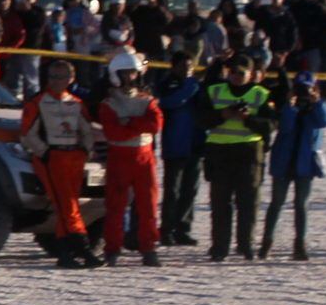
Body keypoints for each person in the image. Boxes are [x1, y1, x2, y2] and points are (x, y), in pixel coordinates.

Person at [19, 58, 103, 268]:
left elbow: (87, 130)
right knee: (67, 205)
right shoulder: (38, 102)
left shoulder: (75, 103)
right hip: (52, 157)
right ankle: (82, 248)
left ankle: (66, 253)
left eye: (61, 77)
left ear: (71, 78)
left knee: (69, 204)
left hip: (74, 158)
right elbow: (27, 133)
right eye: (52, 77)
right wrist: (45, 153)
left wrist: (85, 150)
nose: (56, 81)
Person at [202, 53, 274, 262]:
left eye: (241, 73)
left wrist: (248, 119)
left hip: (249, 153)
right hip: (219, 153)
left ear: (251, 74)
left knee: (248, 204)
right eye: (232, 72)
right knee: (219, 204)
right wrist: (221, 115)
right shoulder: (215, 91)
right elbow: (200, 119)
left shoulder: (260, 94)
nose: (236, 76)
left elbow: (270, 125)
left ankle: (246, 246)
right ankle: (219, 247)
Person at [96, 51, 163, 266]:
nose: (128, 78)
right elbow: (113, 132)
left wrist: (128, 123)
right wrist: (138, 124)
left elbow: (155, 125)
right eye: (124, 73)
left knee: (149, 206)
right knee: (115, 206)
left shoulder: (147, 100)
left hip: (144, 156)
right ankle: (112, 249)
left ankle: (149, 248)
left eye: (132, 73)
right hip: (120, 157)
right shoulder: (109, 103)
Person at [262, 72, 326, 261]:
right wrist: (289, 106)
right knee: (277, 203)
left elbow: (325, 121)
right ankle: (266, 242)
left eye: (307, 88)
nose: (303, 93)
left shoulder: (317, 108)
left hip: (305, 164)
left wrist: (316, 102)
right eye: (300, 88)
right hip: (283, 162)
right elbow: (284, 127)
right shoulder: (288, 107)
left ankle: (300, 244)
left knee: (302, 204)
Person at [153, 50, 205, 246]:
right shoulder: (166, 85)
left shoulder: (196, 86)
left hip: (195, 143)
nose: (187, 70)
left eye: (190, 67)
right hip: (175, 145)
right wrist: (190, 86)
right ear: (173, 66)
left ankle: (183, 228)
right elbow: (168, 103)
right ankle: (166, 229)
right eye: (183, 66)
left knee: (190, 190)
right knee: (172, 191)